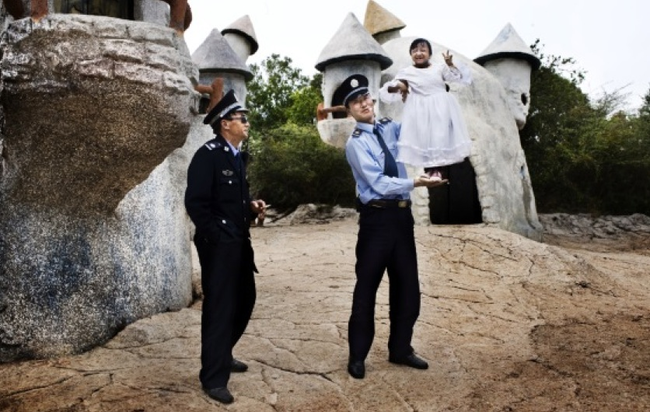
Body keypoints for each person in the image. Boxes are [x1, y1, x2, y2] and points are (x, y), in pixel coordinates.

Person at [333, 74, 446, 379]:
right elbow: (379, 183)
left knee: (408, 286)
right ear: (349, 111)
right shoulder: (355, 145)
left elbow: (413, 131)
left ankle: (400, 349)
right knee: (366, 288)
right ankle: (357, 356)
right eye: (357, 102)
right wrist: (414, 182)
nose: (365, 104)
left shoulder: (389, 127)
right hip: (377, 220)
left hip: (402, 219)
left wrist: (410, 95)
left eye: (366, 98)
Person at [184, 89, 267, 404]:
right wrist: (216, 236)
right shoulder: (208, 155)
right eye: (241, 117)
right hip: (219, 245)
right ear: (224, 123)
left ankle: (222, 352)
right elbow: (196, 202)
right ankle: (214, 377)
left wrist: (251, 206)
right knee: (220, 308)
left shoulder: (236, 157)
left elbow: (231, 202)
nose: (246, 122)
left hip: (239, 243)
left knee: (245, 299)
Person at [379, 37, 472, 180]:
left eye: (423, 50)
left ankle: (438, 171)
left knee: (439, 138)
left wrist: (450, 64)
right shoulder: (407, 71)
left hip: (440, 108)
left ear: (429, 54)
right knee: (424, 140)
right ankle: (430, 171)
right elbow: (399, 84)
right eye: (415, 50)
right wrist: (396, 87)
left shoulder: (439, 68)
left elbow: (458, 78)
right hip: (421, 111)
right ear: (411, 54)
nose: (419, 53)